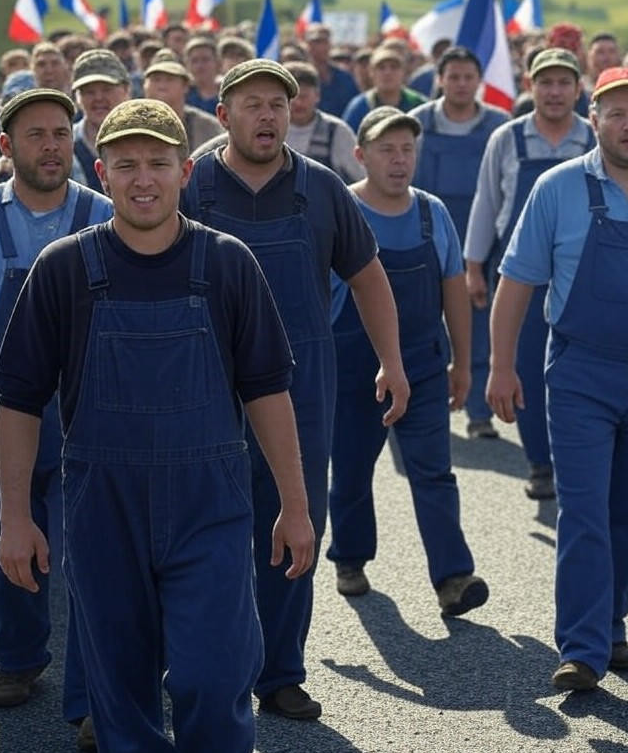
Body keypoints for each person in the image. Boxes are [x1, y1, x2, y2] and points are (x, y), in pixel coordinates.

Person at [0, 97, 315, 752]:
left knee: (213, 670)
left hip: (210, 506)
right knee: (120, 688)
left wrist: (295, 504)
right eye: (127, 164)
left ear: (186, 171)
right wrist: (16, 518)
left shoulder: (227, 265)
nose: (144, 178)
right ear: (101, 172)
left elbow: (269, 394)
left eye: (159, 164)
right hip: (103, 506)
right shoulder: (65, 269)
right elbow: (20, 401)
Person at [183, 59, 409, 720]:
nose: (268, 115)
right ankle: (209, 668)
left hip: (301, 386)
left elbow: (368, 277)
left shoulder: (323, 188)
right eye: (252, 104)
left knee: (294, 528)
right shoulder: (191, 181)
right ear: (224, 115)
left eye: (278, 105)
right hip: (202, 387)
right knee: (205, 533)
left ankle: (280, 672)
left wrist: (392, 360)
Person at [487, 65, 628, 691]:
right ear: (595, 120)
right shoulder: (558, 188)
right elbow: (517, 283)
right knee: (583, 508)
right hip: (582, 369)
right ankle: (583, 648)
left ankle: (611, 624)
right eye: (616, 113)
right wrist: (502, 365)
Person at [327, 107, 489, 615]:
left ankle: (453, 578)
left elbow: (454, 292)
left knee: (434, 473)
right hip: (352, 367)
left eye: (407, 150)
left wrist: (463, 363)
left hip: (421, 364)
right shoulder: (341, 211)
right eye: (386, 150)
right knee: (351, 471)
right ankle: (350, 558)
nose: (399, 161)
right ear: (360, 156)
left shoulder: (431, 212)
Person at [0, 88, 113, 748]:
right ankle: (17, 658)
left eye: (60, 133)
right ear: (7, 147)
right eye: (35, 135)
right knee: (11, 543)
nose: (50, 146)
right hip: (5, 410)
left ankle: (97, 696)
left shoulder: (105, 217)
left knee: (93, 558)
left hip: (88, 413)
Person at [464, 48, 595, 498]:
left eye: (564, 83)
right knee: (526, 369)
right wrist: (474, 265)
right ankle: (540, 462)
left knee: (583, 371)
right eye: (546, 82)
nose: (555, 92)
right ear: (530, 86)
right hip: (522, 274)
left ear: (579, 89)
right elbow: (487, 204)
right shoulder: (507, 138)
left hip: (586, 276)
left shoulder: (597, 139)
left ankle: (581, 461)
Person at [411, 46, 510, 439]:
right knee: (423, 323)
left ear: (479, 81)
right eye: (453, 76)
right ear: (440, 79)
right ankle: (425, 405)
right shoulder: (418, 123)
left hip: (482, 239)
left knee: (479, 325)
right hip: (427, 235)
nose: (461, 84)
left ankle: (479, 413)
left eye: (469, 77)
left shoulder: (499, 126)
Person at [283, 60, 364, 183]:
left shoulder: (337, 131)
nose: (298, 103)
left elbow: (361, 177)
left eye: (304, 96)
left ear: (317, 95)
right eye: (292, 97)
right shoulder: (270, 130)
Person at [70, 48, 132, 190]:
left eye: (106, 89)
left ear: (126, 90)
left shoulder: (147, 139)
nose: (98, 98)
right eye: (89, 92)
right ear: (77, 98)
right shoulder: (64, 145)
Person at [143, 48, 222, 152]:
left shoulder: (209, 127)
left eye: (169, 79)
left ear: (185, 86)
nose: (162, 86)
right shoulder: (133, 124)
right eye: (156, 80)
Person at [342, 46, 427, 133]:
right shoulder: (360, 106)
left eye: (394, 67)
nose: (387, 72)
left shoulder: (418, 103)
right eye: (381, 67)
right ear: (371, 73)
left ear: (404, 72)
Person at [304, 23, 360, 117]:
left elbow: (355, 108)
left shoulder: (344, 78)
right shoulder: (298, 77)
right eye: (316, 42)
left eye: (324, 42)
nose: (320, 47)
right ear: (307, 45)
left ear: (330, 44)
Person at [184, 36, 220, 115]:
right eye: (194, 61)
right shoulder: (182, 95)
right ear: (187, 65)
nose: (200, 66)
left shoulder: (227, 94)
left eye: (205, 59)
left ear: (217, 62)